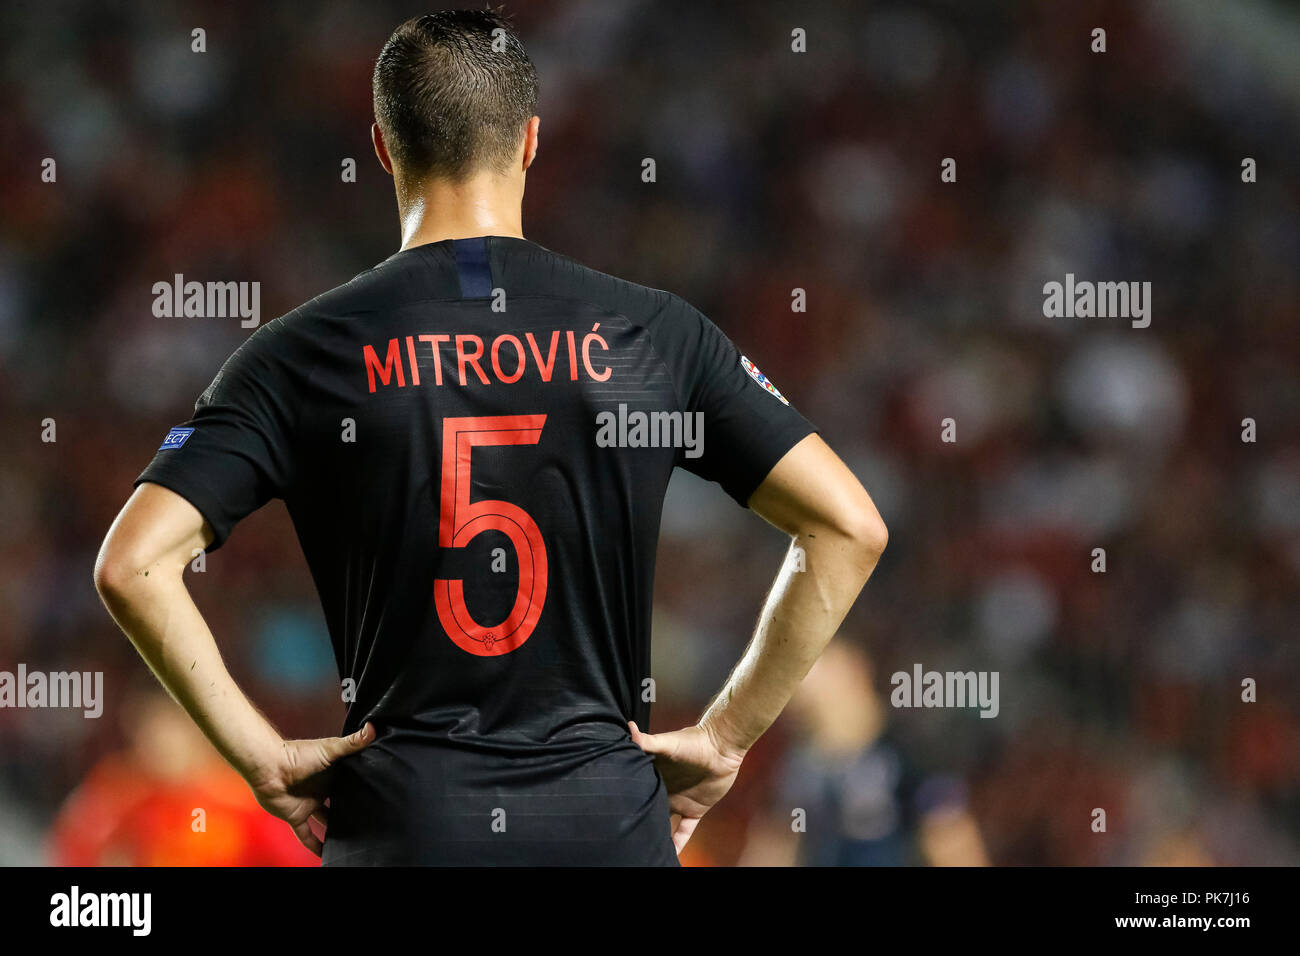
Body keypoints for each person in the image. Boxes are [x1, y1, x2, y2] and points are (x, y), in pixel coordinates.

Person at [93, 10, 888, 865]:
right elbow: (849, 527)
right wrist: (727, 738)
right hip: (604, 824)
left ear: (384, 147)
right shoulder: (652, 335)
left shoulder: (298, 354)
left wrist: (262, 758)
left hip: (404, 824)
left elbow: (131, 565)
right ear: (532, 142)